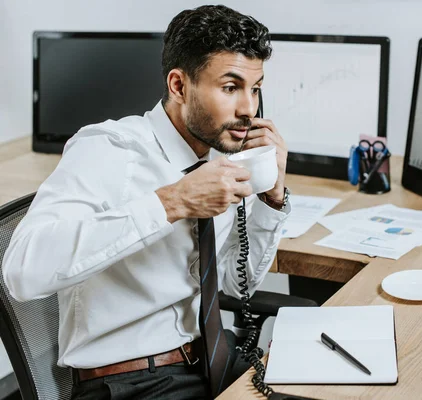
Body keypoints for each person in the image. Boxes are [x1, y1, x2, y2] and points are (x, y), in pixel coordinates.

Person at [2, 5, 290, 399]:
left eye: (255, 88)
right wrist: (172, 202)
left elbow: (235, 284)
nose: (249, 109)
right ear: (178, 86)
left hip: (209, 361)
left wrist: (272, 197)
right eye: (230, 87)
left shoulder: (219, 155)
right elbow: (21, 272)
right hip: (132, 383)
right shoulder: (108, 149)